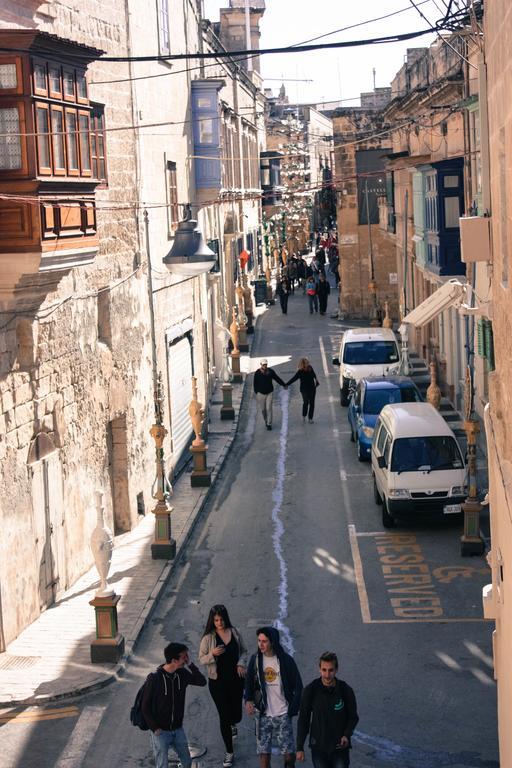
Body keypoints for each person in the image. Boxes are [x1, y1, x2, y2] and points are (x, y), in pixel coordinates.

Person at [244, 626, 303, 768]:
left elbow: (298, 686)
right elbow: (248, 683)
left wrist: (292, 710)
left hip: (282, 713)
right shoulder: (255, 660)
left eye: (264, 641)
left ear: (273, 642)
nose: (261, 644)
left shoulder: (286, 661)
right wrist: (248, 700)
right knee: (264, 757)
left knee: (289, 755)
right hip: (263, 714)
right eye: (259, 641)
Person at [141, 642, 207, 768]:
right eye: (184, 657)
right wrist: (154, 728)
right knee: (162, 765)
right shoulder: (155, 679)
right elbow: (145, 706)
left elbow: (202, 681)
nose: (186, 659)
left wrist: (191, 665)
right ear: (174, 660)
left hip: (178, 729)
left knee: (187, 762)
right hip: (160, 732)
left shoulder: (182, 674)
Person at [199, 605, 248, 768]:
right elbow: (201, 659)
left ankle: (233, 724)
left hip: (236, 681)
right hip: (217, 683)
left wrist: (241, 664)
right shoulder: (208, 638)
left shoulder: (234, 632)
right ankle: (229, 752)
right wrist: (212, 654)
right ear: (212, 621)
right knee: (224, 716)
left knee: (236, 716)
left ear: (226, 618)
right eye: (216, 620)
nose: (219, 623)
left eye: (221, 619)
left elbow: (244, 651)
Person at [296, 652, 359, 768]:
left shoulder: (345, 690)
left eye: (331, 670)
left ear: (336, 670)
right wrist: (299, 747)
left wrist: (346, 735)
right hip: (318, 748)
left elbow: (353, 717)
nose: (327, 674)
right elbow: (303, 720)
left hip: (340, 748)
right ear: (319, 669)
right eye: (324, 670)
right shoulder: (311, 690)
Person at [253, 359, 287, 430]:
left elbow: (277, 378)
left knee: (269, 408)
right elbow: (255, 383)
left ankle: (269, 424)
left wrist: (283, 384)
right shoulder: (257, 373)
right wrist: (257, 392)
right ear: (261, 365)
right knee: (263, 410)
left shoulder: (270, 372)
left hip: (269, 392)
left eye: (266, 365)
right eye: (263, 365)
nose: (265, 366)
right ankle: (266, 420)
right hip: (260, 394)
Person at [286, 357, 319, 423]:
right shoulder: (300, 372)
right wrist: (287, 384)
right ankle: (304, 415)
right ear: (303, 364)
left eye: (308, 363)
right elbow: (294, 378)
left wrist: (316, 380)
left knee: (312, 403)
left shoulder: (310, 368)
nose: (308, 364)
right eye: (307, 363)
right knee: (306, 402)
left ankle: (310, 418)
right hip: (304, 389)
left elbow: (314, 375)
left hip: (312, 388)